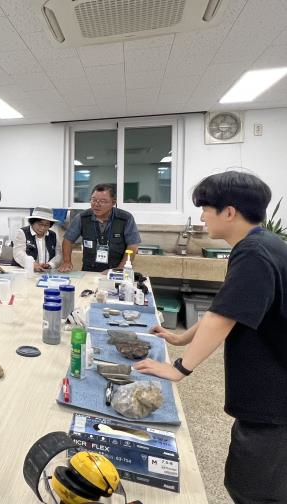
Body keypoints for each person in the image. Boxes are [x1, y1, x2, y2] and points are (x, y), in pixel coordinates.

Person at [133, 171, 287, 504]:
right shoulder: (265, 244)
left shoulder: (253, 252)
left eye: (205, 208)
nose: (202, 217)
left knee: (254, 489)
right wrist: (180, 338)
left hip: (274, 397)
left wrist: (179, 368)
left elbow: (221, 317)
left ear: (229, 212)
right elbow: (227, 306)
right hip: (271, 389)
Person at [59, 184, 140, 273]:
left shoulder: (125, 218)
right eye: (93, 200)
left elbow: (132, 245)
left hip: (115, 270)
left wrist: (119, 270)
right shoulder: (82, 217)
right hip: (89, 271)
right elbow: (68, 240)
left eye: (103, 201)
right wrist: (67, 261)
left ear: (113, 203)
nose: (97, 204)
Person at [12, 207, 62, 272]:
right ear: (32, 222)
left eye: (46, 225)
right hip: (24, 271)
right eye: (40, 224)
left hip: (44, 272)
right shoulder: (23, 232)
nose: (43, 228)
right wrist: (32, 264)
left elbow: (59, 254)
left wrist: (50, 264)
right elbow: (18, 253)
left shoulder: (53, 235)